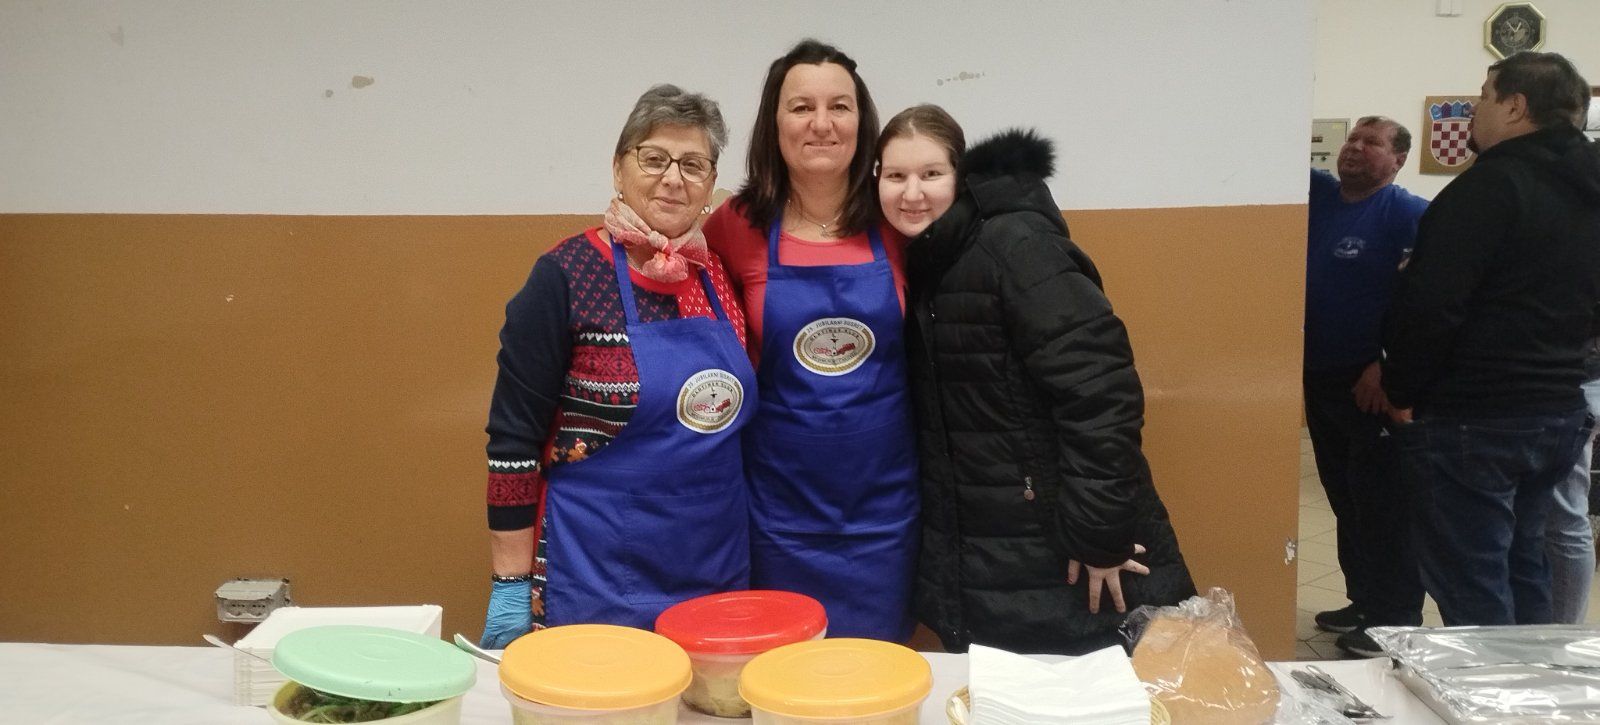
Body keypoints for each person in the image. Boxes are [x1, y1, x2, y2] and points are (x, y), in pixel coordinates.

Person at [878, 104, 1195, 655]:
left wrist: (1100, 534)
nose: (912, 193)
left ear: (963, 175)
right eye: (895, 175)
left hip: (1071, 552)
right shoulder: (932, 260)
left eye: (931, 174)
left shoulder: (1015, 245)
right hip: (1000, 555)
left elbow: (1101, 391)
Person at [480, 85, 755, 647]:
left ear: (710, 184)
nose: (673, 178)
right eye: (653, 158)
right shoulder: (565, 275)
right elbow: (513, 443)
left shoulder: (718, 277)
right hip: (598, 570)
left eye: (693, 164)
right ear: (618, 168)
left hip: (715, 568)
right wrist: (509, 580)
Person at [703, 39, 917, 642]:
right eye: (801, 107)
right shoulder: (735, 226)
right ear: (774, 123)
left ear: (861, 121)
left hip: (885, 512)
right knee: (783, 675)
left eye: (839, 107)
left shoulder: (899, 219)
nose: (821, 124)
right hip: (778, 512)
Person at [1382, 51, 1600, 626]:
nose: (1474, 108)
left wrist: (1401, 389)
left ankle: (1487, 707)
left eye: (1483, 94)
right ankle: (1530, 699)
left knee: (1473, 580)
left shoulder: (1489, 187)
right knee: (1524, 562)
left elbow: (1432, 304)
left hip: (1476, 415)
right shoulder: (1589, 186)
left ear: (1515, 105)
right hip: (1558, 409)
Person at [1302, 116, 1428, 656]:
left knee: (1385, 505)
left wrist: (1387, 364)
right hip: (1321, 379)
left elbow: (1427, 300)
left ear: (1398, 159)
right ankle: (1363, 601)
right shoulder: (1325, 198)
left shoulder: (1408, 213)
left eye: (1371, 143)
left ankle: (1396, 620)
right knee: (1347, 498)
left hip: (1370, 382)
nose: (1355, 148)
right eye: (1352, 138)